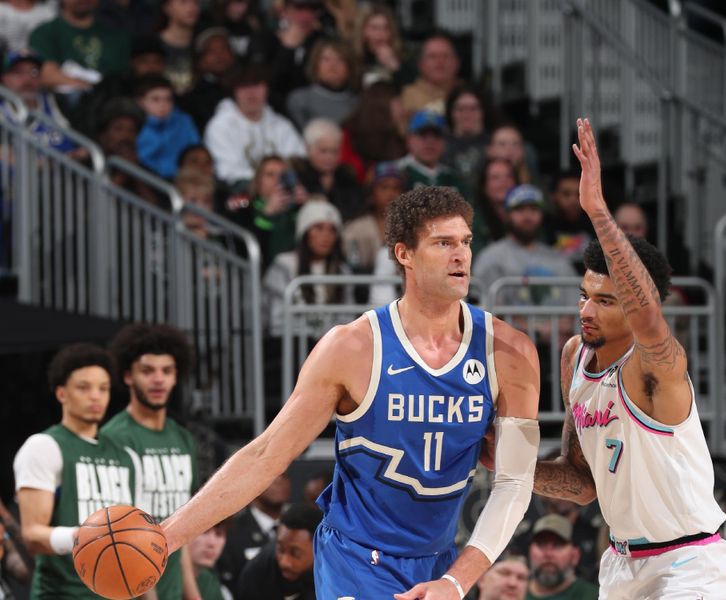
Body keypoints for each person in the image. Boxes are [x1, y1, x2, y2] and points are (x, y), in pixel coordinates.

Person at [158, 185, 542, 599]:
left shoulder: (510, 351)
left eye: (465, 242)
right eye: (443, 243)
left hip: (439, 561)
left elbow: (514, 483)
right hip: (354, 559)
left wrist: (457, 578)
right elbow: (267, 455)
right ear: (404, 254)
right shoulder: (352, 347)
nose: (461, 255)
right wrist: (166, 537)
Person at [532, 118, 726, 598]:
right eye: (585, 296)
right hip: (621, 565)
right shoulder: (573, 357)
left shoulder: (657, 367)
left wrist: (598, 212)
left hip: (689, 563)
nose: (586, 310)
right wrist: (495, 457)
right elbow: (581, 483)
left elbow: (647, 318)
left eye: (605, 301)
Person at [12, 344, 135, 599]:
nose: (95, 396)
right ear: (61, 393)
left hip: (117, 591)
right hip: (62, 593)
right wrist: (90, 536)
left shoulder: (126, 455)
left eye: (103, 388)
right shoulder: (44, 446)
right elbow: (32, 535)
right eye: (84, 387)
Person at [102, 322, 200, 600]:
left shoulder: (183, 439)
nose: (158, 380)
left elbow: (181, 530)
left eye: (166, 371)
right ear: (128, 376)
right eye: (147, 371)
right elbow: (118, 536)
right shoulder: (114, 438)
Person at [261, 198, 353, 339]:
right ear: (304, 232)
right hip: (290, 347)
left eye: (332, 230)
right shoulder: (284, 265)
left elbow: (347, 319)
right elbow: (277, 322)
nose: (326, 236)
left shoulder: (342, 271)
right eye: (318, 228)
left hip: (332, 348)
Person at [204, 64, 306, 187]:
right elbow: (227, 172)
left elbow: (298, 161)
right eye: (244, 86)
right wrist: (266, 184)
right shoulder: (220, 127)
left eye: (257, 85)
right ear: (234, 91)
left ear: (267, 89)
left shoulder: (281, 125)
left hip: (284, 189)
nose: (251, 92)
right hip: (241, 193)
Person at [28, 0, 129, 95]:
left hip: (108, 101)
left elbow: (119, 79)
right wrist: (89, 87)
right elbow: (47, 76)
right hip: (62, 102)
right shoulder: (44, 33)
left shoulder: (115, 36)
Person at [216, 472, 291, 593]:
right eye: (272, 476)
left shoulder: (302, 526)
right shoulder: (232, 532)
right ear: (252, 485)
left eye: (284, 476)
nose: (279, 481)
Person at [236, 503, 322, 600]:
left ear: (319, 549)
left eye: (295, 553)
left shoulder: (338, 568)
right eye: (281, 549)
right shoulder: (256, 574)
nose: (284, 562)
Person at [293, 118, 364, 222]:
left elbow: (356, 212)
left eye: (334, 151)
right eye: (323, 151)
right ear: (307, 149)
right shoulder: (297, 178)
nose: (329, 157)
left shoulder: (347, 178)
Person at [134, 74, 200, 179]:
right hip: (149, 180)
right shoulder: (133, 127)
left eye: (168, 99)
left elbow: (195, 152)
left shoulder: (184, 122)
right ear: (140, 102)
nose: (163, 104)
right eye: (155, 99)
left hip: (185, 179)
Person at [287, 37, 358, 131]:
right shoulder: (300, 100)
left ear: (349, 67)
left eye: (340, 59)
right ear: (315, 65)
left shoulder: (359, 105)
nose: (332, 65)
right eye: (325, 59)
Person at [526, 515, 598, 600]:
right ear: (529, 551)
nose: (548, 553)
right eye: (541, 544)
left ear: (575, 555)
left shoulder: (596, 596)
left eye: (558, 545)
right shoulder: (512, 592)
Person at [395, 110, 465, 194]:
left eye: (437, 135)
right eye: (422, 134)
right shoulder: (393, 173)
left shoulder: (454, 178)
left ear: (445, 142)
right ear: (409, 140)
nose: (430, 142)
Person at [400, 31, 460, 120]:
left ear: (456, 62)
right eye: (432, 57)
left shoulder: (469, 94)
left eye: (446, 56)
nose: (440, 62)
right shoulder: (406, 96)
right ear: (421, 64)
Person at [156, 0, 199, 95]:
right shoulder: (152, 44)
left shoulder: (204, 44)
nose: (192, 7)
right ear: (167, 8)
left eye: (195, 2)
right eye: (184, 2)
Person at [188, 519, 234, 600]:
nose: (212, 543)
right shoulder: (167, 579)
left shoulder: (211, 582)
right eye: (204, 532)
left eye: (219, 534)